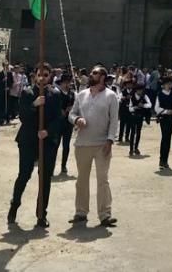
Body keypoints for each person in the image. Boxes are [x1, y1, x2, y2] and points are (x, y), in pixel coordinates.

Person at [8, 62, 65, 228]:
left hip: (47, 141)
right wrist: (34, 105)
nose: (42, 78)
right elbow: (23, 116)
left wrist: (48, 131)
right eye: (39, 75)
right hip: (28, 140)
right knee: (24, 174)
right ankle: (14, 205)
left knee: (45, 178)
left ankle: (41, 214)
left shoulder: (55, 94)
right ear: (34, 76)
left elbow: (58, 118)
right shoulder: (27, 93)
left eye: (46, 75)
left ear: (50, 77)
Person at [69, 64, 120, 227]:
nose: (91, 74)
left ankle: (105, 214)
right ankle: (81, 212)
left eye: (95, 73)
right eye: (91, 72)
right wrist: (77, 120)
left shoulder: (111, 96)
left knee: (102, 180)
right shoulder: (81, 94)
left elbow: (114, 120)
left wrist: (110, 140)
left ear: (103, 77)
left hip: (102, 144)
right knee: (81, 179)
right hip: (82, 144)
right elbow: (72, 113)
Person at [57, 73, 76, 174]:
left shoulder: (72, 94)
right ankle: (51, 165)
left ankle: (63, 165)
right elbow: (54, 105)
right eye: (66, 82)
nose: (68, 84)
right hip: (58, 122)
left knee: (66, 145)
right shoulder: (57, 93)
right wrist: (60, 111)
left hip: (68, 122)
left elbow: (74, 105)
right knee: (55, 145)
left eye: (69, 82)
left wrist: (70, 109)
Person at [127, 83, 150, 157]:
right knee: (132, 132)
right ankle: (131, 149)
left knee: (138, 132)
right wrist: (135, 108)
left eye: (141, 90)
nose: (140, 92)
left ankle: (136, 147)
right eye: (139, 90)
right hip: (133, 116)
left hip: (140, 116)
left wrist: (143, 105)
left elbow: (150, 104)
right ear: (136, 90)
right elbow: (130, 108)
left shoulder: (144, 96)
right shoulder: (132, 97)